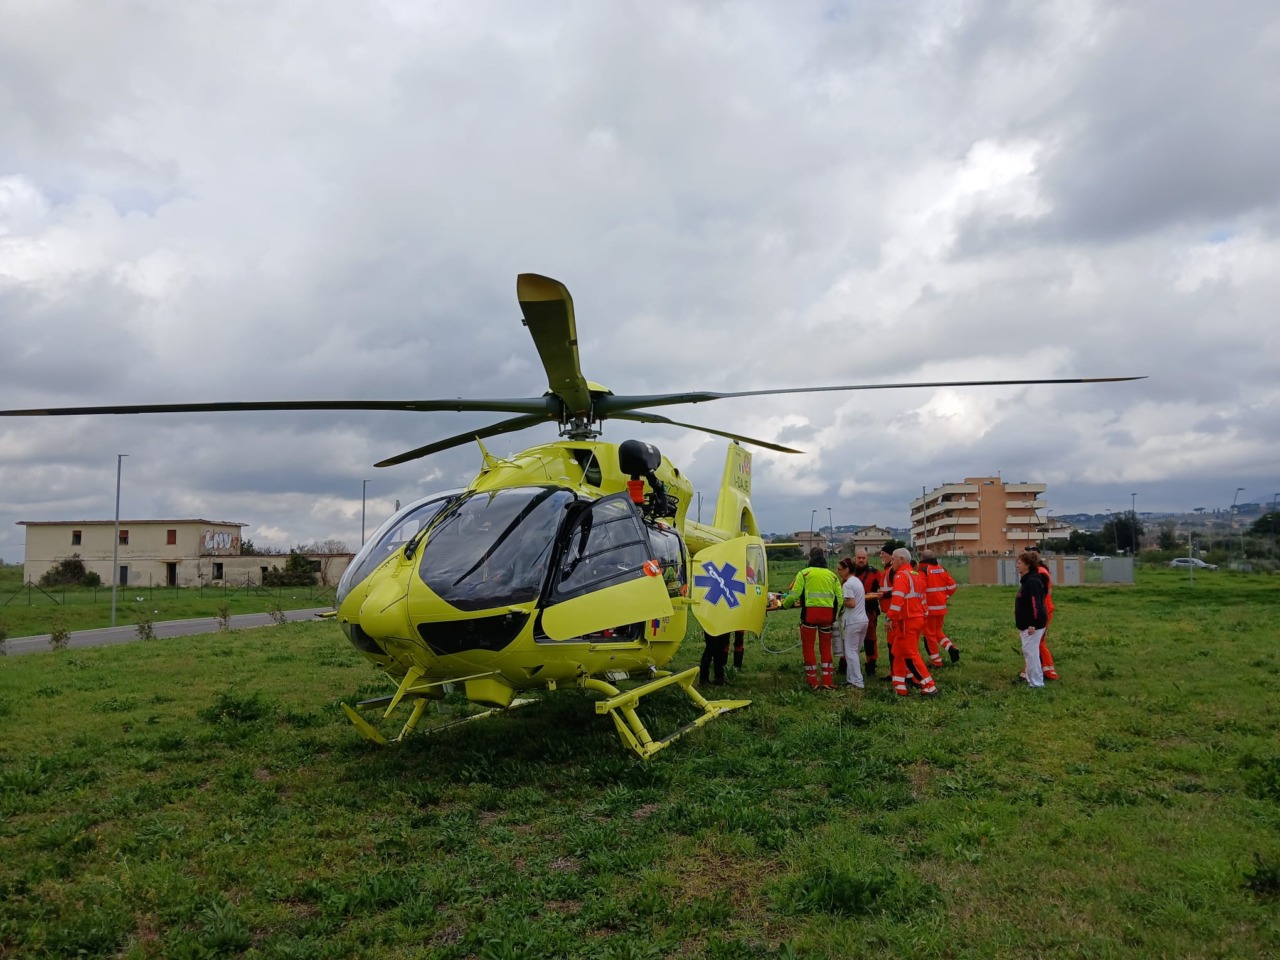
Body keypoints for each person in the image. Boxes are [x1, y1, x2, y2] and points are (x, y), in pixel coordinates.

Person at [781, 547, 842, 689]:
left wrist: (784, 606)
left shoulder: (804, 573)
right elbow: (839, 598)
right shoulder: (832, 576)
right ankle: (827, 680)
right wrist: (835, 615)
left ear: (810, 558)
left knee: (808, 647)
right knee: (826, 647)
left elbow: (794, 595)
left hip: (810, 615)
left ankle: (812, 681)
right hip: (828, 616)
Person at [885, 548, 937, 698]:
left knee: (911, 654)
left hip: (906, 621)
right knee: (897, 653)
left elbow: (897, 601)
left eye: (893, 559)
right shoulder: (916, 575)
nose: (891, 562)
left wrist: (889, 618)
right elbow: (922, 599)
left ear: (902, 560)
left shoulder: (901, 576)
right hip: (917, 619)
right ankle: (900, 687)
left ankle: (929, 686)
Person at [919, 550, 960, 667]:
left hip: (929, 609)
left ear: (922, 558)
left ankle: (936, 661)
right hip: (941, 607)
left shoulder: (923, 570)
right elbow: (952, 586)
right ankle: (951, 648)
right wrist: (944, 597)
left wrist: (922, 607)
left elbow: (921, 590)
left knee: (929, 635)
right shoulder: (941, 568)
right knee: (937, 631)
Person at [1013, 550, 1048, 687]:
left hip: (1032, 626)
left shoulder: (1032, 582)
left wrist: (1033, 623)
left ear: (1027, 565)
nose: (1017, 566)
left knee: (1031, 654)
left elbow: (1035, 604)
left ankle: (1036, 683)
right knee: (1030, 653)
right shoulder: (1029, 581)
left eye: (1019, 563)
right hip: (1028, 625)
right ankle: (1033, 680)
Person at [1027, 551, 1060, 681]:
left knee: (1036, 642)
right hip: (1044, 610)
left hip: (1042, 612)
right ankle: (1044, 669)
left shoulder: (1039, 574)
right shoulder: (1041, 571)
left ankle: (1045, 671)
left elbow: (1037, 597)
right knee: (1037, 642)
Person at [834, 557, 867, 688]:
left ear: (847, 570)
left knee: (850, 652)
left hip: (853, 622)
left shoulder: (847, 584)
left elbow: (851, 603)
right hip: (863, 620)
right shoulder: (857, 581)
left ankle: (857, 681)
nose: (838, 572)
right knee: (854, 651)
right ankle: (851, 678)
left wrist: (840, 601)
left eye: (840, 569)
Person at [850, 549, 882, 676]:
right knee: (850, 639)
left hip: (870, 610)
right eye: (859, 558)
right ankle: (846, 664)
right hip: (852, 610)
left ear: (867, 558)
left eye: (863, 558)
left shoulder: (875, 573)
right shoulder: (850, 574)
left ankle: (871, 664)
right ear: (855, 558)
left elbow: (883, 589)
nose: (861, 560)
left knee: (870, 639)